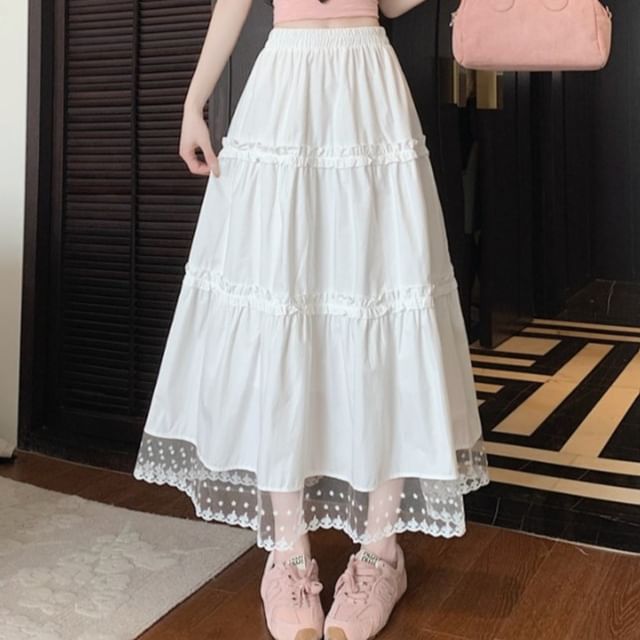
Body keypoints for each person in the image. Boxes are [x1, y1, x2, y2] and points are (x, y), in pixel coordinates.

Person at [132, 1, 491, 639]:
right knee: (280, 307)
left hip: (368, 83)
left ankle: (380, 554)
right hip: (285, 87)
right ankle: (288, 552)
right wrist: (193, 102)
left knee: (384, 301)